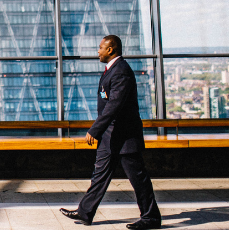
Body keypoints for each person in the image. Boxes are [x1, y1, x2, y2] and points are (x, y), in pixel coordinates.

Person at [60, 35, 161, 229]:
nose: (97, 51)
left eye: (100, 48)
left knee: (138, 178)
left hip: (124, 137)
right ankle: (84, 212)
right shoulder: (112, 70)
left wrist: (95, 129)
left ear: (111, 49)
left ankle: (151, 217)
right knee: (99, 175)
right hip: (110, 136)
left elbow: (114, 105)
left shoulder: (121, 72)